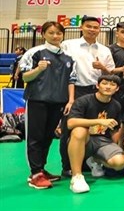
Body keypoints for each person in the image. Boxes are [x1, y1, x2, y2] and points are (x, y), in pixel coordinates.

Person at [20, 21, 76, 189]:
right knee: (35, 137)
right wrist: (38, 69)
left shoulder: (68, 57)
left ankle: (41, 169)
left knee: (47, 137)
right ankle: (35, 173)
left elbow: (71, 80)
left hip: (58, 101)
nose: (55, 36)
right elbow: (25, 77)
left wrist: (71, 100)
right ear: (44, 34)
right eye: (51, 32)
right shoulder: (34, 53)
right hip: (38, 100)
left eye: (58, 33)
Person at [60, 16, 115, 176]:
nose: (92, 30)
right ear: (81, 27)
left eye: (95, 27)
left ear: (99, 30)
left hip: (96, 92)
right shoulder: (68, 45)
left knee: (94, 129)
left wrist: (102, 67)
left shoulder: (104, 50)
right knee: (69, 129)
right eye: (89, 26)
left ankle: (87, 163)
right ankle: (68, 167)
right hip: (74, 90)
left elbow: (110, 73)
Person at [66, 75, 124, 193]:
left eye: (112, 85)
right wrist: (99, 121)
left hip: (103, 141)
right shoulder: (83, 101)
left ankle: (95, 160)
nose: (108, 87)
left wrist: (119, 149)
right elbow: (70, 123)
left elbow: (114, 131)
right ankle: (77, 177)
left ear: (117, 89)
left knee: (120, 162)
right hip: (83, 141)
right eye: (105, 83)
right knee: (79, 130)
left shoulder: (116, 105)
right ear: (98, 85)